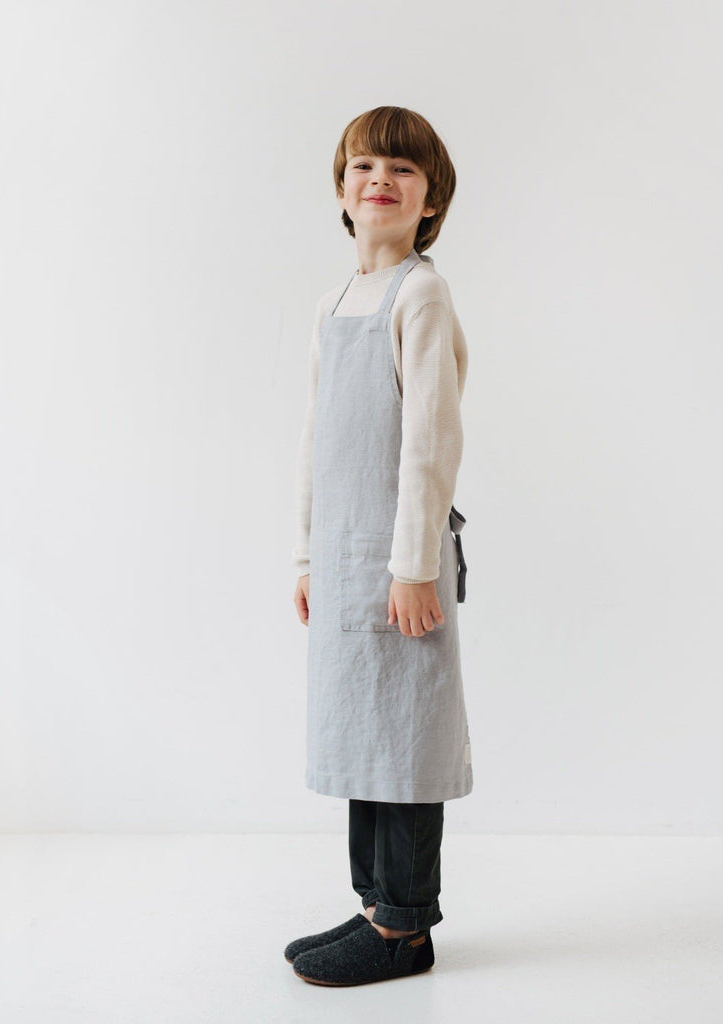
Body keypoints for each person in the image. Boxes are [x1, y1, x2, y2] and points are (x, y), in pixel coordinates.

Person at [285, 106, 472, 987]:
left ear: (429, 201)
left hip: (401, 563)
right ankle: (373, 906)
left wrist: (413, 566)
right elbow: (321, 439)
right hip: (348, 558)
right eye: (364, 167)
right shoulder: (332, 303)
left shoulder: (420, 293)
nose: (381, 181)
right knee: (366, 732)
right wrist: (308, 558)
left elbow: (429, 440)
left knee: (406, 735)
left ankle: (405, 927)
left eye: (402, 170)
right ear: (341, 192)